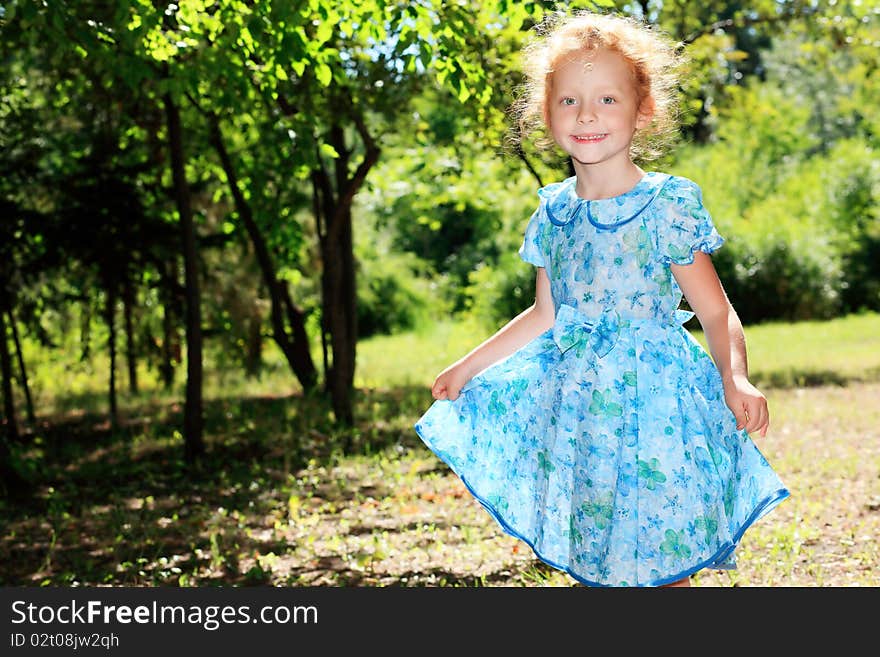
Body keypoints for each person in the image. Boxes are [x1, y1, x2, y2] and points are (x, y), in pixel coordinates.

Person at [413, 10, 790, 587]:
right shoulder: (554, 212)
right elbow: (545, 314)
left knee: (659, 556)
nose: (587, 114)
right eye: (569, 101)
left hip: (658, 407)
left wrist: (734, 376)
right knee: (601, 553)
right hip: (582, 410)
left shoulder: (667, 204)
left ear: (642, 111)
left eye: (607, 99)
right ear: (547, 114)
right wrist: (467, 367)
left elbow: (715, 310)